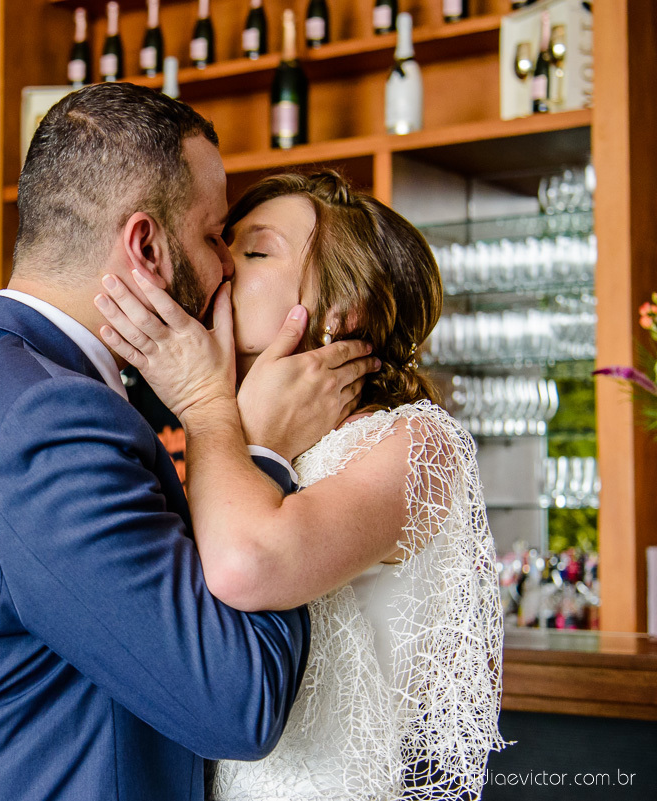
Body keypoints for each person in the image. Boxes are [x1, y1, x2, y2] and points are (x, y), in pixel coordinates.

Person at [0, 85, 379, 801]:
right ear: (146, 246)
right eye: (214, 235)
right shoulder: (50, 420)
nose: (225, 266)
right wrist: (259, 449)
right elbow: (239, 703)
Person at [96, 170, 508, 800]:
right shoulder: (234, 441)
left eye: (255, 250)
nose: (222, 263)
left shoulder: (418, 444)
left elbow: (245, 568)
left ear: (346, 310)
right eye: (222, 241)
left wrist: (209, 409)